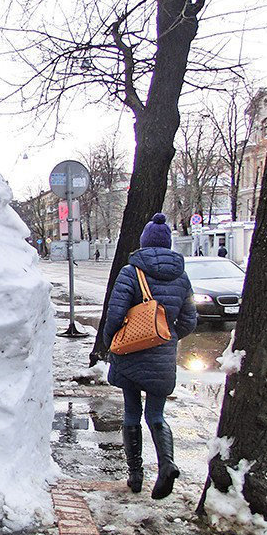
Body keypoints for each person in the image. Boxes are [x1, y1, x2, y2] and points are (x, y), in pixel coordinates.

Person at [102, 213, 197, 499]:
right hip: (162, 357)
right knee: (156, 413)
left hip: (131, 354)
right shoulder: (181, 276)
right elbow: (190, 319)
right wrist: (167, 338)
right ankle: (167, 464)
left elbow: (115, 315)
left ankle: (136, 474)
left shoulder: (131, 272)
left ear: (143, 243)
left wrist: (112, 343)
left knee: (132, 412)